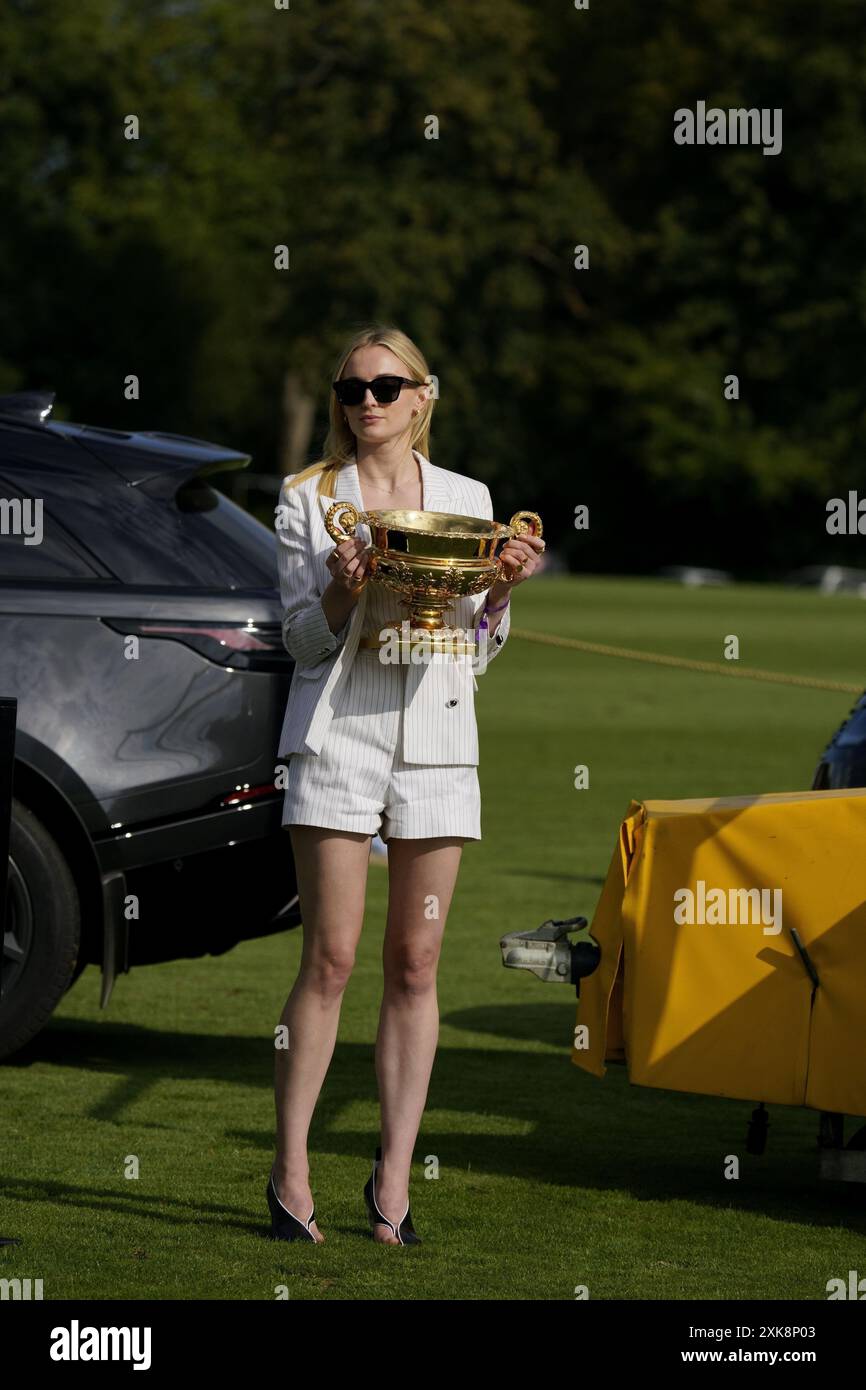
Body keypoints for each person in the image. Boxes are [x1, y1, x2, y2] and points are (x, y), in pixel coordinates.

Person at [266, 324, 544, 1245]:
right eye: (352, 390)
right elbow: (301, 643)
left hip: (438, 740)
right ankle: (292, 1174)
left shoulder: (468, 499)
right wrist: (345, 591)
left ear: (424, 396)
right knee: (332, 959)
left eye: (388, 387)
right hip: (337, 734)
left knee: (416, 965)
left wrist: (500, 591)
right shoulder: (308, 499)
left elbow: (474, 649)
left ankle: (393, 1185)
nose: (368, 404)